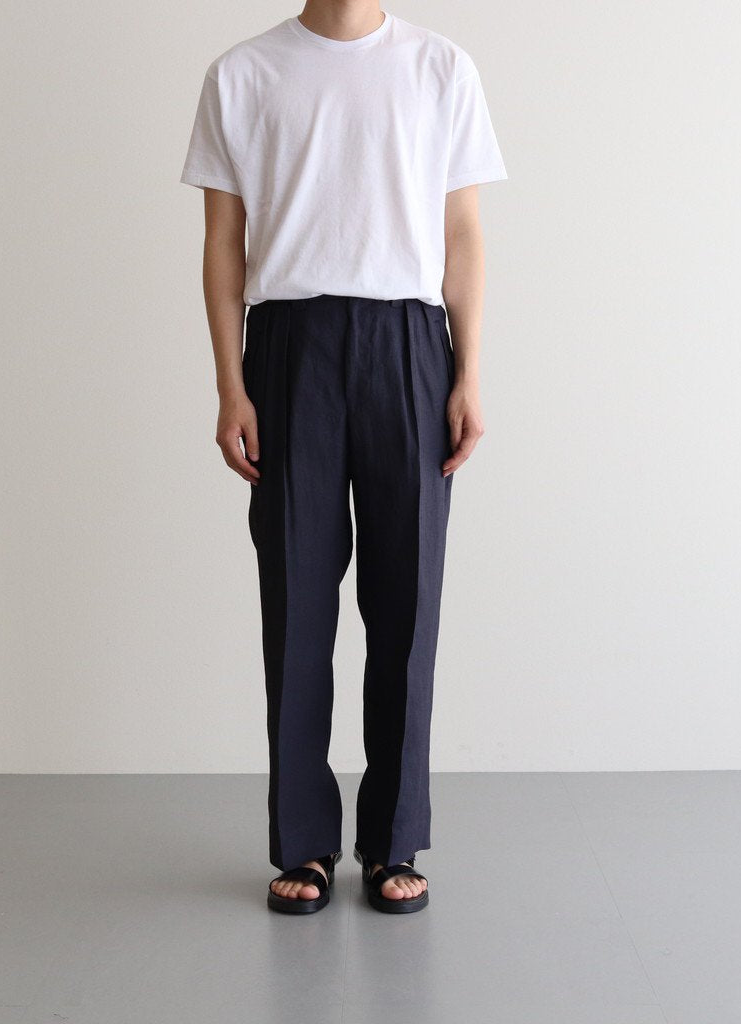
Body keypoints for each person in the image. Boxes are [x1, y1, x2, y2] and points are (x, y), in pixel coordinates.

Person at [180, 1, 507, 915]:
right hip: (291, 349)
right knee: (295, 597)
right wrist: (230, 383)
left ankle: (394, 838)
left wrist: (468, 373)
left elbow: (463, 234)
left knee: (407, 600)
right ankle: (304, 842)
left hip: (409, 344)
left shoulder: (441, 68)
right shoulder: (241, 75)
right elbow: (222, 243)